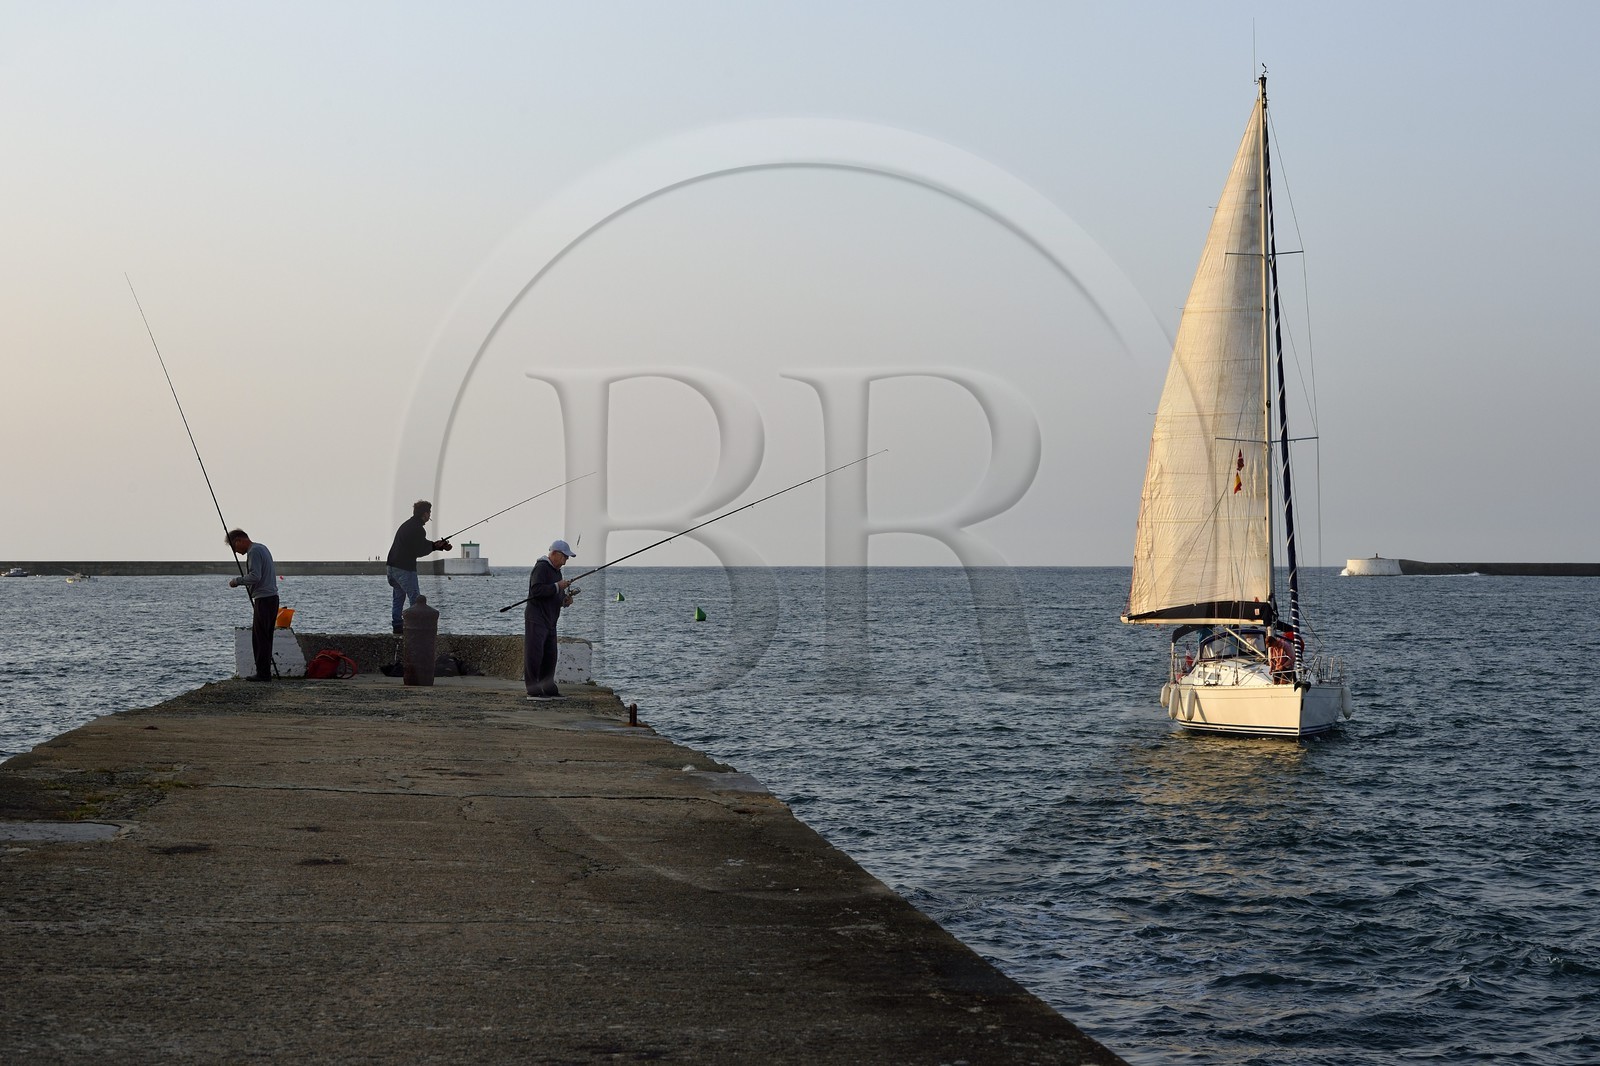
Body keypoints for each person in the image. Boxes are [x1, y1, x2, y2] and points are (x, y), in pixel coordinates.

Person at [387, 500, 451, 634]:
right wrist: (435, 546)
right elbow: (419, 550)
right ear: (425, 514)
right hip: (405, 568)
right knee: (415, 598)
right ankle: (414, 628)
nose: (430, 515)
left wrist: (435, 545)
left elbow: (419, 544)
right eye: (429, 512)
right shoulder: (418, 529)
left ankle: (397, 626)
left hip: (391, 567)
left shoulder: (407, 525)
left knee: (398, 597)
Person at [524, 539, 577, 701]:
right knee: (534, 654)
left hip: (550, 620)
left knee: (550, 655)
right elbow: (536, 589)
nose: (565, 561)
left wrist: (564, 601)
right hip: (536, 618)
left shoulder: (557, 571)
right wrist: (557, 586)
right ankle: (533, 690)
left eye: (567, 558)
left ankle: (548, 688)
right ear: (554, 554)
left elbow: (554, 594)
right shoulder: (541, 568)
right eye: (564, 557)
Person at [226, 529, 279, 682]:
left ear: (239, 541)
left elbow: (255, 576)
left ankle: (263, 674)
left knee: (259, 638)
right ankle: (265, 673)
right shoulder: (262, 547)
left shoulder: (254, 552)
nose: (236, 552)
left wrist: (237, 581)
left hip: (264, 599)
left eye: (234, 548)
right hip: (271, 598)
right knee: (265, 637)